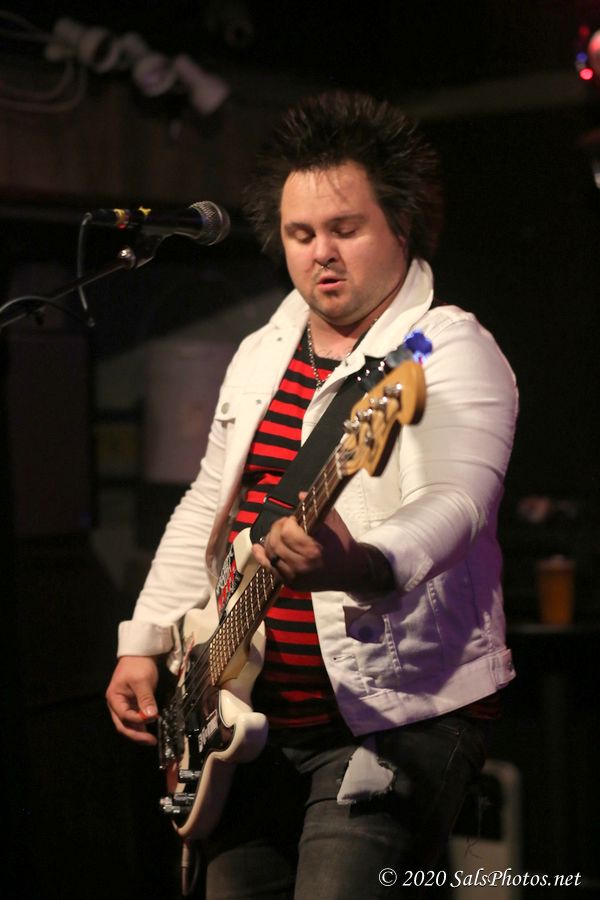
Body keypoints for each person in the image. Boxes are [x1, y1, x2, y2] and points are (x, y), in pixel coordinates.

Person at [106, 90, 518, 899]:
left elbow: (457, 505)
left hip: (391, 722)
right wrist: (143, 639)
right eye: (301, 235)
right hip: (249, 720)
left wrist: (359, 561)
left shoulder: (447, 350)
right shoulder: (263, 350)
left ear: (401, 225)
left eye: (345, 229)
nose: (320, 253)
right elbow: (209, 502)